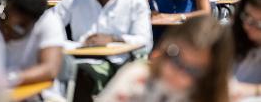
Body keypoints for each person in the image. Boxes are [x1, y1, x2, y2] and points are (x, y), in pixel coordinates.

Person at [53, 0, 152, 101]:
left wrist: (113, 39)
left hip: (121, 63)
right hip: (79, 60)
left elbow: (145, 42)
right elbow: (50, 24)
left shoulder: (135, 1)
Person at [96, 15, 233, 102]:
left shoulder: (207, 96)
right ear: (164, 45)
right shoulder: (136, 76)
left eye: (192, 71)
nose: (177, 72)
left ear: (210, 75)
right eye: (173, 56)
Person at [0, 0, 66, 99]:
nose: (8, 33)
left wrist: (9, 79)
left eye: (20, 28)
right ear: (5, 7)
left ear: (35, 22)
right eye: (4, 22)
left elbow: (50, 68)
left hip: (38, 95)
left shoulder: (49, 23)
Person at [231, 0, 261, 100]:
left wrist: (251, 90)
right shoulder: (237, 34)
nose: (248, 26)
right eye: (246, 16)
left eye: (258, 24)